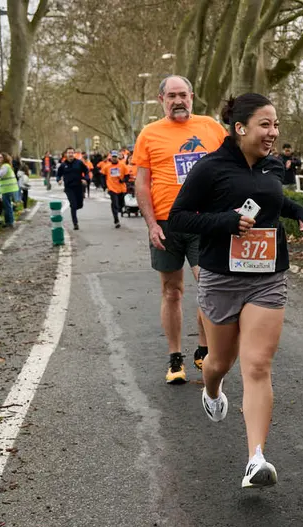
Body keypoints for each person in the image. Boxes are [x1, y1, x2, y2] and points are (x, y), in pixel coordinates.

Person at [168, 92, 303, 489]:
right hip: (221, 276)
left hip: (268, 275)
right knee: (220, 361)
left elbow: (273, 200)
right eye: (265, 125)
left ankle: (256, 458)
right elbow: (178, 217)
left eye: (276, 125)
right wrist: (225, 223)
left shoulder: (273, 166)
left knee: (257, 365)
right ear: (240, 128)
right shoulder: (210, 168)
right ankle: (213, 389)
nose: (273, 132)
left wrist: (299, 212)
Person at [133, 75, 224, 384]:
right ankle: (175, 358)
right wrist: (151, 224)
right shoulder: (149, 134)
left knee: (209, 287)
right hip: (168, 224)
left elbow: (231, 166)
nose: (178, 100)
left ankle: (203, 349)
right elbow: (142, 185)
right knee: (172, 292)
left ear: (192, 96)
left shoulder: (211, 127)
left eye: (182, 94)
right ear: (161, 100)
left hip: (205, 221)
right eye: (171, 96)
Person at [55, 147, 90, 229]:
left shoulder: (79, 163)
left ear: (74, 154)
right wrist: (59, 180)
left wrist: (85, 179)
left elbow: (86, 171)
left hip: (79, 187)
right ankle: (75, 223)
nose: (70, 154)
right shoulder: (63, 165)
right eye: (69, 153)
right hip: (69, 188)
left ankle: (74, 207)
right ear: (66, 154)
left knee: (80, 205)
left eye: (72, 153)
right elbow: (58, 174)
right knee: (73, 205)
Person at [103, 150, 132, 228]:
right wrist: (104, 186)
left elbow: (127, 175)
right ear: (111, 157)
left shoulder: (122, 165)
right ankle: (116, 220)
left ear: (117, 157)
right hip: (112, 188)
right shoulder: (107, 167)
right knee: (114, 204)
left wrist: (123, 180)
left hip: (121, 188)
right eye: (113, 157)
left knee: (121, 204)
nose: (114, 158)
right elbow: (103, 175)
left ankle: (119, 209)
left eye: (115, 157)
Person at [0, 153, 21, 228]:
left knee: (7, 206)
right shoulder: (7, 166)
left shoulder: (5, 166)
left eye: (1, 157)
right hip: (9, 188)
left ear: (4, 158)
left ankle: (10, 222)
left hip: (8, 189)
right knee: (7, 205)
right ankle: (9, 221)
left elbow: (0, 175)